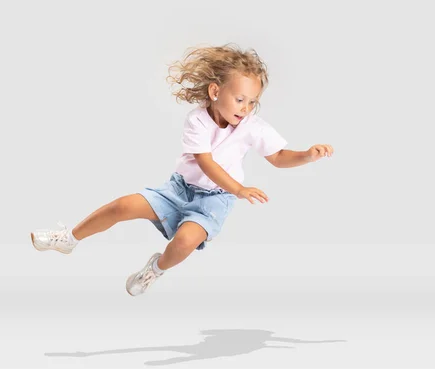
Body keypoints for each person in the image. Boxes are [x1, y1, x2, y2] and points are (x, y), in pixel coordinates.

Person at [30, 43, 334, 296]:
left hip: (214, 201)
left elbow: (279, 156)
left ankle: (155, 269)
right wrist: (239, 189)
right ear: (216, 91)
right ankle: (69, 238)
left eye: (252, 102)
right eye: (240, 99)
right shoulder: (197, 120)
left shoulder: (252, 127)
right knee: (123, 205)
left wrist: (306, 155)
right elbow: (205, 161)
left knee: (185, 242)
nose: (245, 108)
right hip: (178, 190)